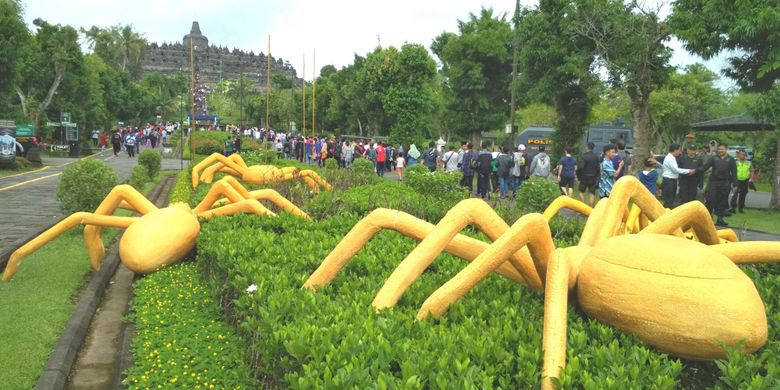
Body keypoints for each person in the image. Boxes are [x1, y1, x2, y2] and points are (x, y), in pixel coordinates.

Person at [701, 143, 737, 226]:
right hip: (714, 182)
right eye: (719, 149)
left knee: (722, 201)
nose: (720, 151)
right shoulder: (713, 158)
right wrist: (695, 170)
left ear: (726, 149)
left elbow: (734, 172)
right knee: (710, 200)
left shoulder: (731, 159)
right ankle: (708, 218)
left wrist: (735, 184)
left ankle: (720, 219)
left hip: (725, 183)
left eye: (722, 149)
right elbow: (705, 167)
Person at [661, 144, 694, 208]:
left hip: (671, 181)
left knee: (671, 199)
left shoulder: (672, 157)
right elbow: (676, 170)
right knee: (669, 200)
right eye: (679, 150)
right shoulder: (670, 158)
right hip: (669, 181)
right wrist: (689, 171)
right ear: (675, 150)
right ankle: (667, 214)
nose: (680, 152)